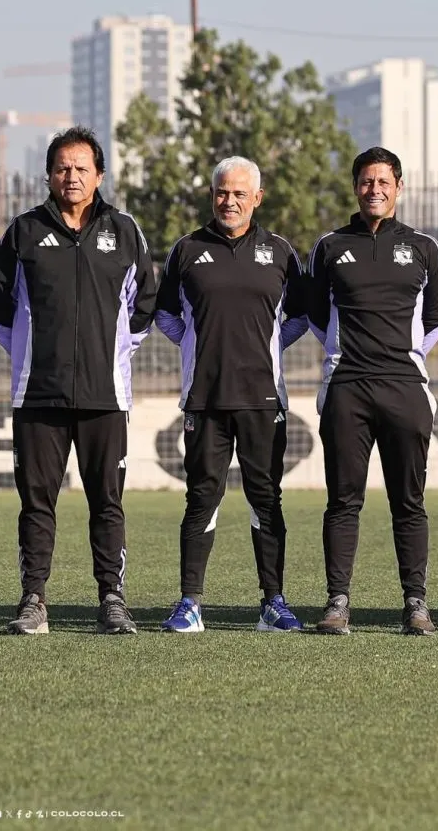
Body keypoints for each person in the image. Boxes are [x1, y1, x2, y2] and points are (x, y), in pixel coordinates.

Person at [0, 126, 156, 635]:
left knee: (108, 502)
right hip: (38, 395)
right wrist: (30, 358)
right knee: (37, 503)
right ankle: (34, 600)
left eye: (82, 168)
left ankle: (112, 599)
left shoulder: (125, 231)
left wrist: (112, 355)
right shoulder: (23, 232)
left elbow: (142, 309)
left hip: (106, 396)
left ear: (99, 175)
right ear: (49, 175)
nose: (72, 176)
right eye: (63, 168)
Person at [154, 157, 307, 634]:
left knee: (266, 498)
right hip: (205, 398)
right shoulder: (187, 250)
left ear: (257, 198)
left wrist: (263, 350)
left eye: (240, 193)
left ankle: (273, 603)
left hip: (263, 398)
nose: (230, 201)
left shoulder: (281, 252)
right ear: (212, 195)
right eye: (223, 192)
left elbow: (301, 318)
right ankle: (189, 604)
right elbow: (164, 316)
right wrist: (199, 348)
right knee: (202, 497)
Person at [308, 147, 438, 635]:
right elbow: (314, 313)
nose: (375, 189)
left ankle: (416, 604)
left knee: (408, 501)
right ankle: (337, 603)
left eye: (384, 182)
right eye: (367, 182)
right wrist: (344, 354)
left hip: (405, 388)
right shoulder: (329, 246)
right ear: (356, 187)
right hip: (347, 386)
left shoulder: (424, 247)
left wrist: (406, 356)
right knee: (343, 500)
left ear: (399, 187)